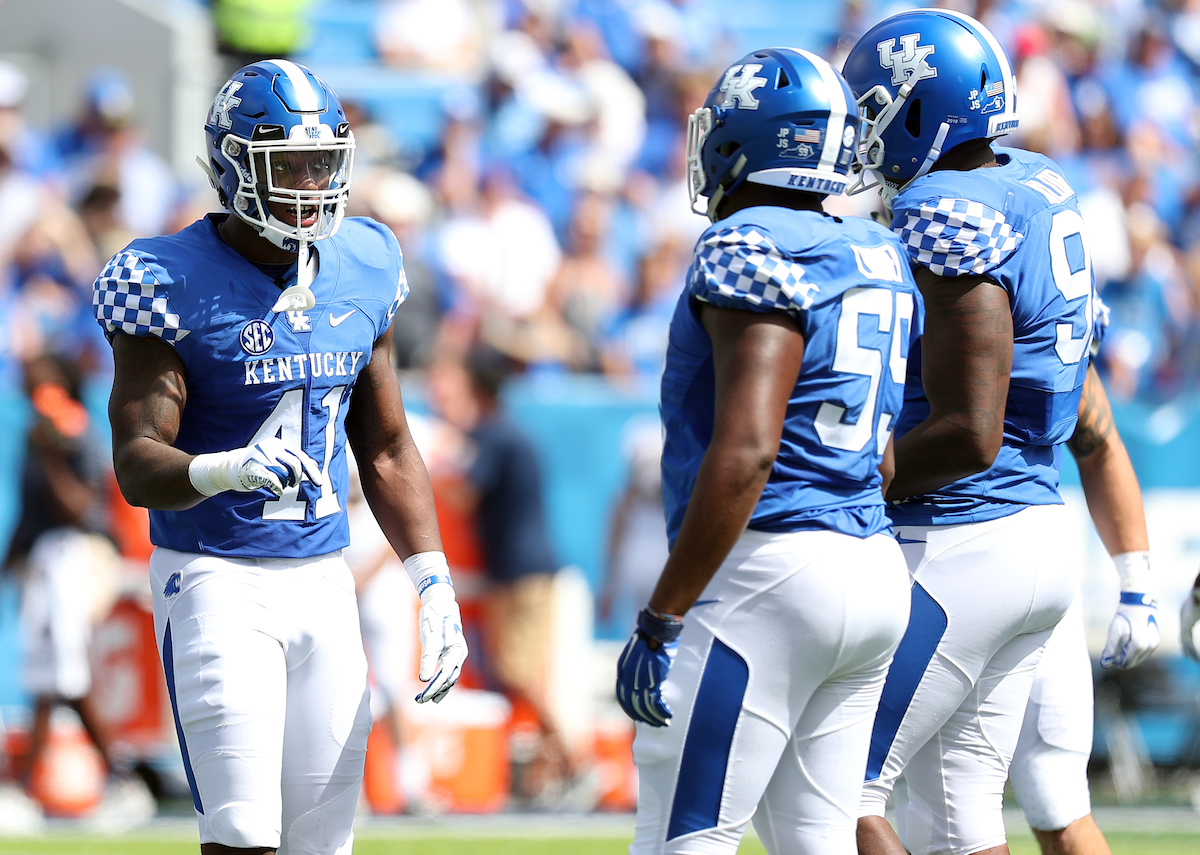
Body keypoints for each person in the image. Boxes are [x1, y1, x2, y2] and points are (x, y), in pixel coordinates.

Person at [92, 59, 467, 855]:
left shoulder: (366, 260)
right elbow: (135, 461)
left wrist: (432, 579)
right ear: (231, 165)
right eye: (285, 164)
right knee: (243, 835)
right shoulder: (165, 277)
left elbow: (389, 442)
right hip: (216, 577)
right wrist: (220, 468)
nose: (308, 184)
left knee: (323, 843)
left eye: (321, 162)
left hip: (324, 579)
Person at [616, 47, 919, 853]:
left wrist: (662, 615)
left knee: (687, 838)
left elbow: (747, 449)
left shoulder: (749, 244)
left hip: (769, 570)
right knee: (816, 843)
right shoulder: (879, 251)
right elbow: (884, 458)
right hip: (870, 563)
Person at [841, 9, 1098, 855]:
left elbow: (966, 431)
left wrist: (839, 480)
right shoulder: (1033, 179)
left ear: (923, 109)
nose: (863, 129)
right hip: (1035, 524)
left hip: (963, 536)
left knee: (832, 790)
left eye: (875, 108)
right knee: (960, 817)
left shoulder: (945, 205)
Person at [1008, 355, 1159, 855]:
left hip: (933, 541)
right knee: (1057, 806)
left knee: (885, 802)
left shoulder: (944, 273)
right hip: (1043, 550)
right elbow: (1099, 444)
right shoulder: (1063, 279)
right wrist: (1137, 583)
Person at [426, 343, 579, 804]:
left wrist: (426, 473)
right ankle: (550, 771)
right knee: (516, 672)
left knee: (518, 671)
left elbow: (463, 495)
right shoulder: (508, 432)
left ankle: (576, 759)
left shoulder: (492, 435)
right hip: (521, 570)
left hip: (520, 574)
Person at [5, 353, 154, 828]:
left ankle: (124, 781)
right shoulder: (39, 434)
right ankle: (30, 789)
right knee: (48, 676)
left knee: (66, 672)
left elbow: (78, 510)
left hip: (76, 554)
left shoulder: (72, 432)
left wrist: (50, 451)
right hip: (46, 558)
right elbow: (30, 518)